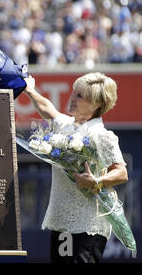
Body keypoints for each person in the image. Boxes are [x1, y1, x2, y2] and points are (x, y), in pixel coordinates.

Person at [23, 72, 128, 263]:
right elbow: (47, 108)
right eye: (74, 92)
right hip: (62, 221)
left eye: (79, 96)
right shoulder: (66, 124)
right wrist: (30, 91)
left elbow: (122, 173)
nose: (72, 98)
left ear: (96, 104)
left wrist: (96, 181)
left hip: (86, 224)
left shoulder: (102, 135)